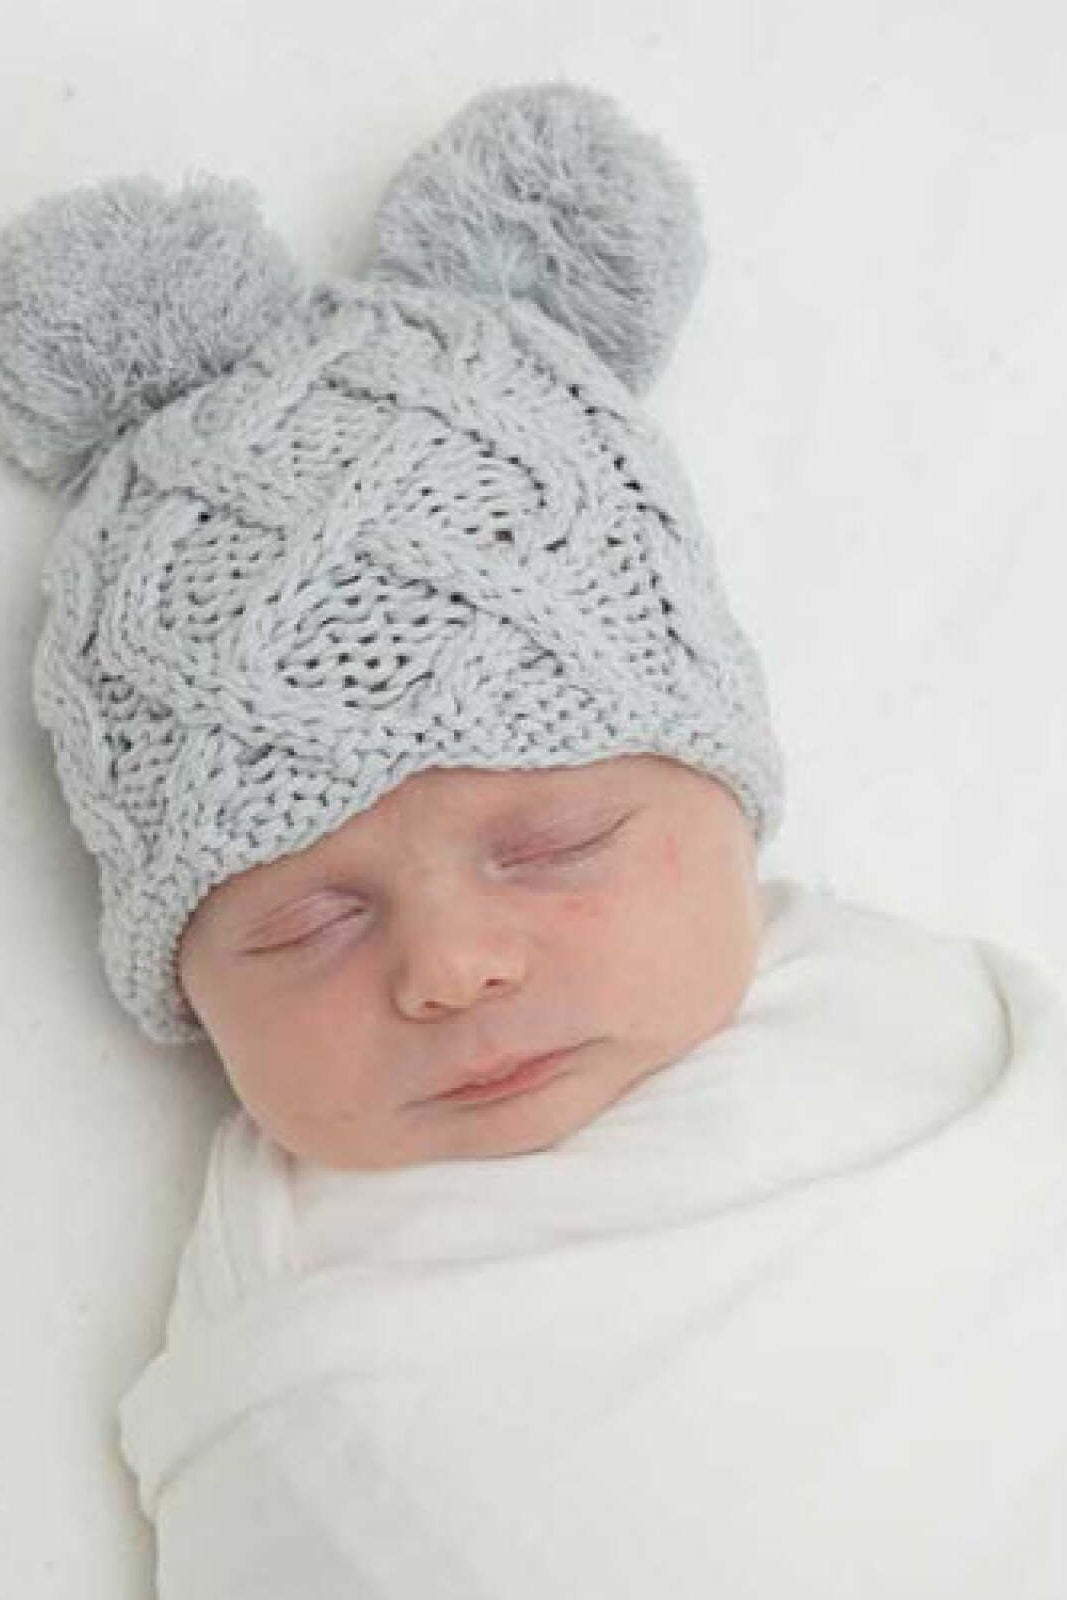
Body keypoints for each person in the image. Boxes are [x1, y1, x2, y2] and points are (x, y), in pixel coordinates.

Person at [3, 78, 1065, 1600]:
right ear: (178, 987)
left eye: (557, 842)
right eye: (306, 922)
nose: (453, 966)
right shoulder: (286, 1291)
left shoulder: (918, 1027)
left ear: (723, 793)